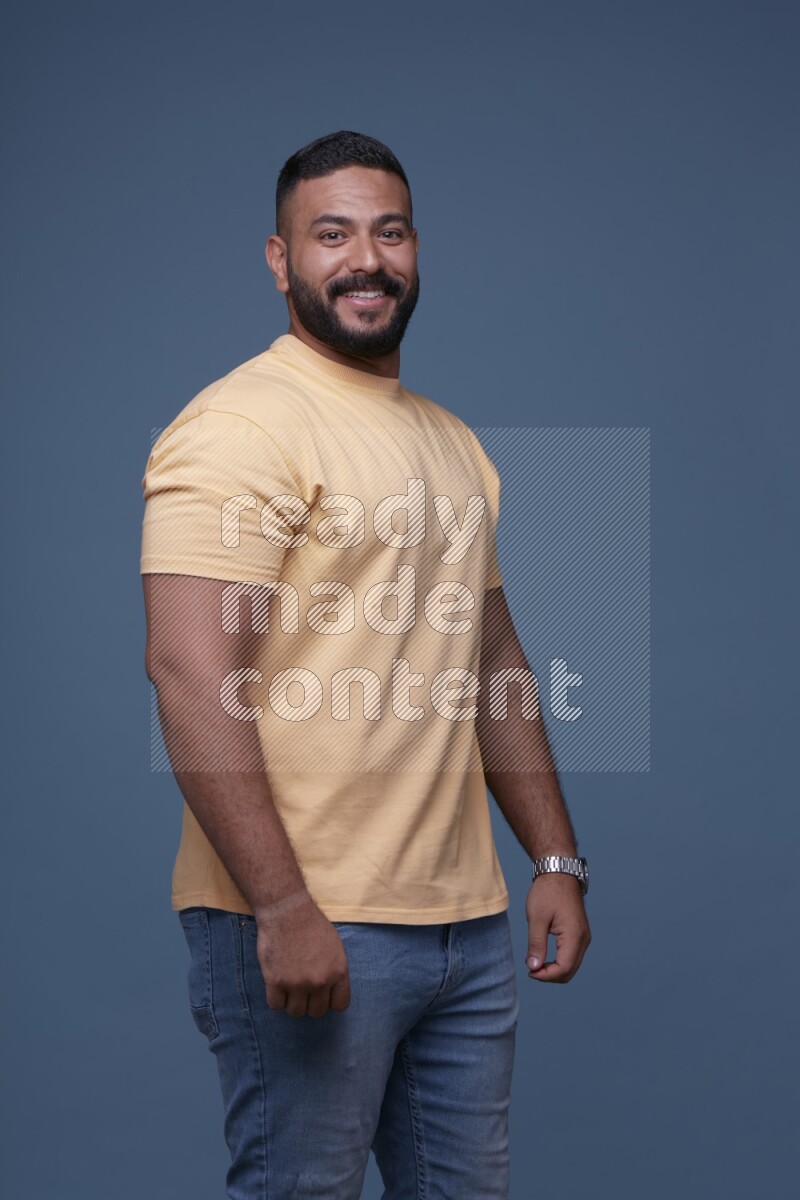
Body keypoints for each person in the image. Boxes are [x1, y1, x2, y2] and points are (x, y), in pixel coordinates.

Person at [140, 130, 591, 1200]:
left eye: (387, 231)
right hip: (307, 916)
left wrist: (555, 860)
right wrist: (284, 905)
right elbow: (189, 673)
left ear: (415, 248)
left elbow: (487, 659)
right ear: (278, 257)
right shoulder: (240, 426)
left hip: (466, 927)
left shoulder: (448, 441)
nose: (364, 259)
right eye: (329, 234)